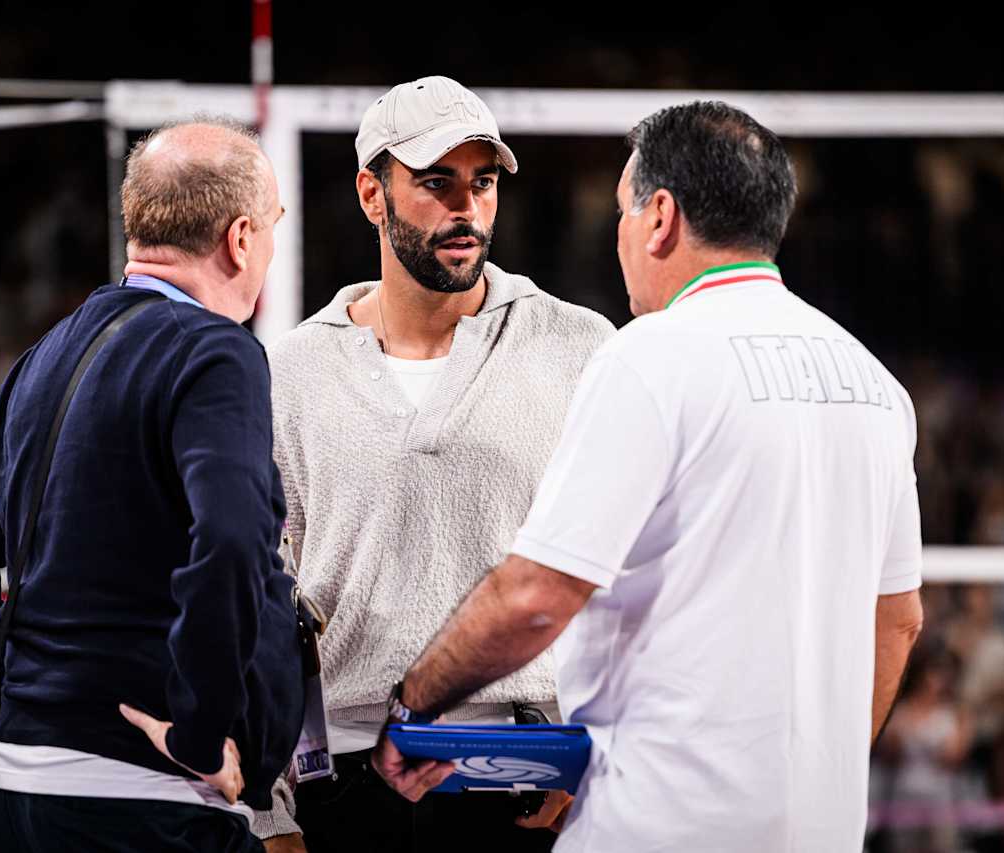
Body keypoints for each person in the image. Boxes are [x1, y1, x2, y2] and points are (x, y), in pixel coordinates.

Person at [373, 100, 926, 852]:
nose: (621, 237)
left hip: (658, 819)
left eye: (623, 213)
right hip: (821, 829)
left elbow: (536, 596)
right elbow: (897, 620)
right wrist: (808, 778)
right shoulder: (877, 385)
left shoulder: (652, 355)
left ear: (660, 216)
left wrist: (418, 704)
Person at [0, 117, 303, 853]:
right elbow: (229, 539)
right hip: (141, 798)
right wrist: (198, 729)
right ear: (242, 238)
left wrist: (0, 697)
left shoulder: (49, 353)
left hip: (10, 788)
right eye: (274, 232)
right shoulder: (216, 353)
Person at [253, 76, 614, 852]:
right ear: (371, 194)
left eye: (482, 183)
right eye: (435, 182)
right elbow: (263, 596)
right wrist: (269, 807)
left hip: (519, 769)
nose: (466, 208)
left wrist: (593, 752)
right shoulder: (291, 371)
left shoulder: (579, 347)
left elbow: (624, 567)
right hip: (346, 772)